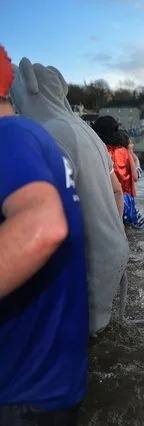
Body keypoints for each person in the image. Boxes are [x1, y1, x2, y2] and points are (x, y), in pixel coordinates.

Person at [10, 54, 129, 335]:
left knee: (81, 344)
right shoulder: (86, 132)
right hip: (114, 247)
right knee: (107, 336)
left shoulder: (49, 134)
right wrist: (114, 230)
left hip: (89, 257)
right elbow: (116, 190)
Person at [0, 48, 88, 422]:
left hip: (22, 387)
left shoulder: (11, 135)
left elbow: (43, 226)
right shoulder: (38, 136)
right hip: (50, 378)